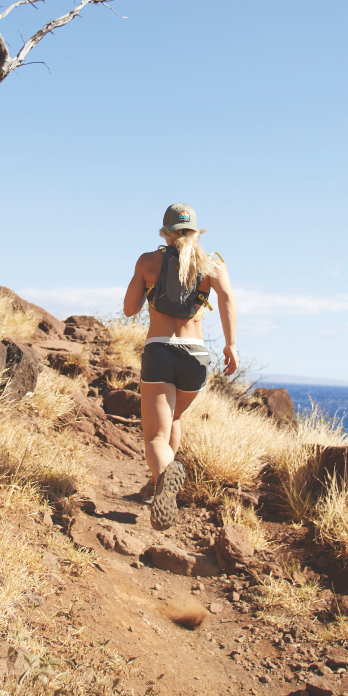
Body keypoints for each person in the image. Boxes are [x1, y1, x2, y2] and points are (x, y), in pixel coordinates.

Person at [122, 202, 238, 530]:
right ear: (196, 232)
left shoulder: (149, 261)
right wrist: (230, 344)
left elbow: (130, 309)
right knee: (172, 417)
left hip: (160, 352)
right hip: (196, 357)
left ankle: (166, 471)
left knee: (155, 438)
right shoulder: (213, 264)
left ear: (164, 232)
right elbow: (227, 298)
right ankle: (159, 485)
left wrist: (145, 284)